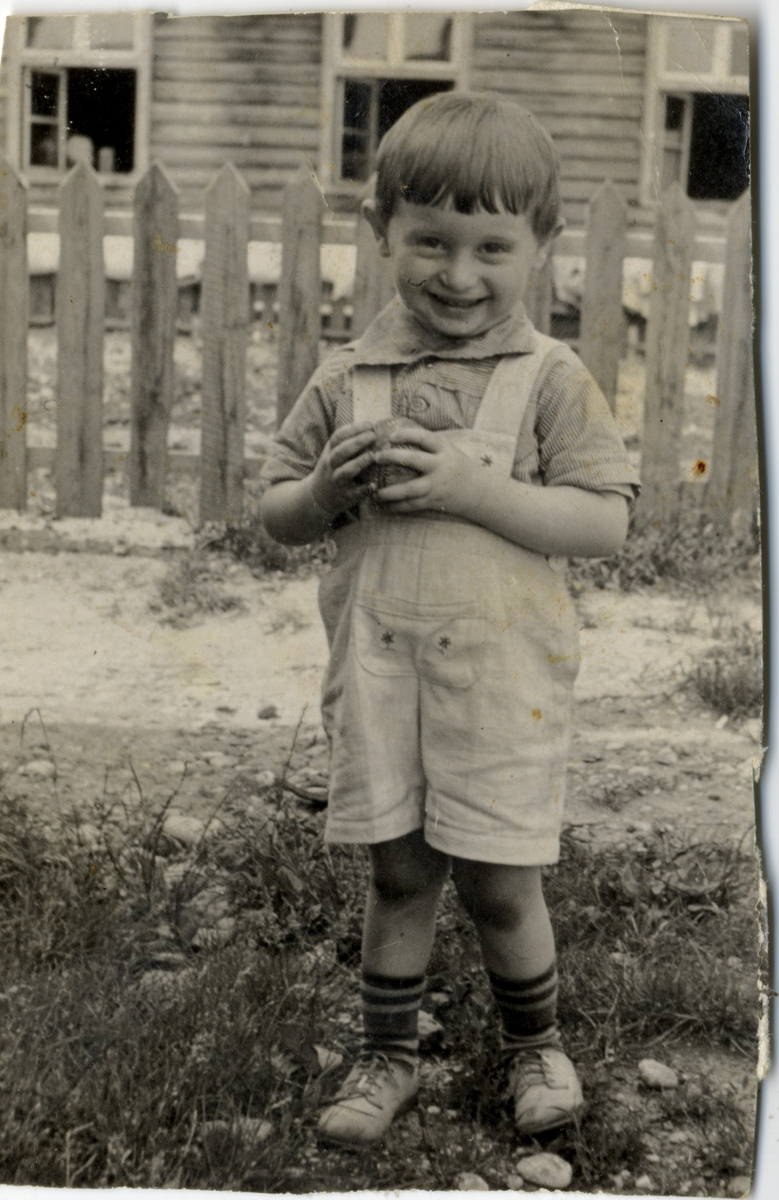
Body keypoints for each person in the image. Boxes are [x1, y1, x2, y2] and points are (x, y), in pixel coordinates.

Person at [260, 91, 639, 1147]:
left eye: (490, 246)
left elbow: (603, 520)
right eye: (428, 240)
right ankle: (388, 1056)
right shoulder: (349, 378)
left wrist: (480, 492)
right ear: (379, 230)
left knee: (501, 875)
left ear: (541, 248)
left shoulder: (549, 380)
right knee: (399, 869)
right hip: (381, 671)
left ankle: (535, 1047)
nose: (458, 275)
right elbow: (276, 512)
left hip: (502, 680)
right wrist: (324, 492)